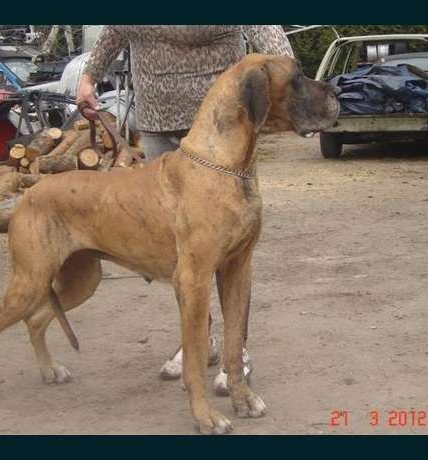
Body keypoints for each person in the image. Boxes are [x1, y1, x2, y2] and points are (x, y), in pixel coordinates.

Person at [77, 25, 294, 394]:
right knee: (183, 249)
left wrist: (288, 75)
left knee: (231, 246)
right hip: (157, 117)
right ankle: (199, 340)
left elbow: (263, 26)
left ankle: (236, 353)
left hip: (223, 124)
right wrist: (89, 77)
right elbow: (115, 28)